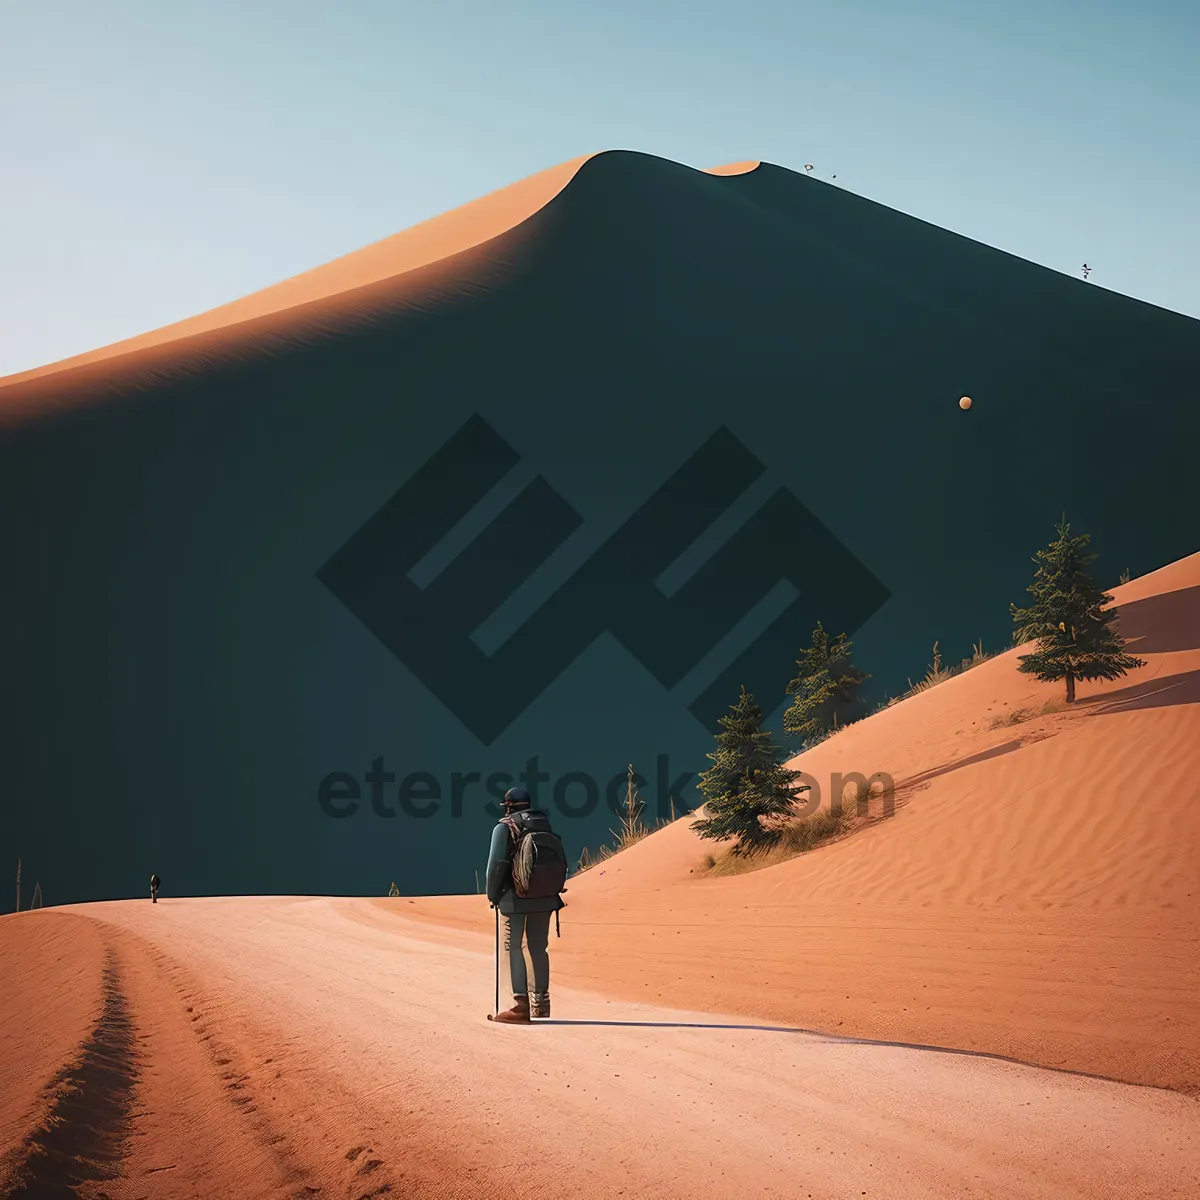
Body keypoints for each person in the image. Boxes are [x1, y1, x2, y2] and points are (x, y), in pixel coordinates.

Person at [485, 787, 565, 1023]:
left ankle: (519, 1006)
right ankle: (540, 1002)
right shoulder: (544, 825)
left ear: (508, 806)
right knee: (538, 947)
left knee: (513, 946)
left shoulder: (504, 828)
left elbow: (496, 866)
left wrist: (493, 896)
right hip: (546, 896)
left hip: (515, 898)